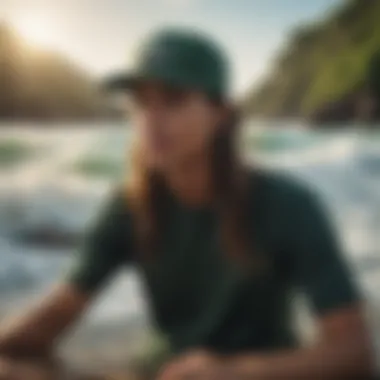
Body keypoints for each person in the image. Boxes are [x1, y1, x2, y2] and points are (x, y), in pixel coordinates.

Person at [0, 28, 375, 380]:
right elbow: (55, 316)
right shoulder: (130, 206)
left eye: (173, 100)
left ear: (221, 114)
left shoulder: (289, 206)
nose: (151, 119)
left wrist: (231, 373)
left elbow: (353, 351)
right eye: (142, 102)